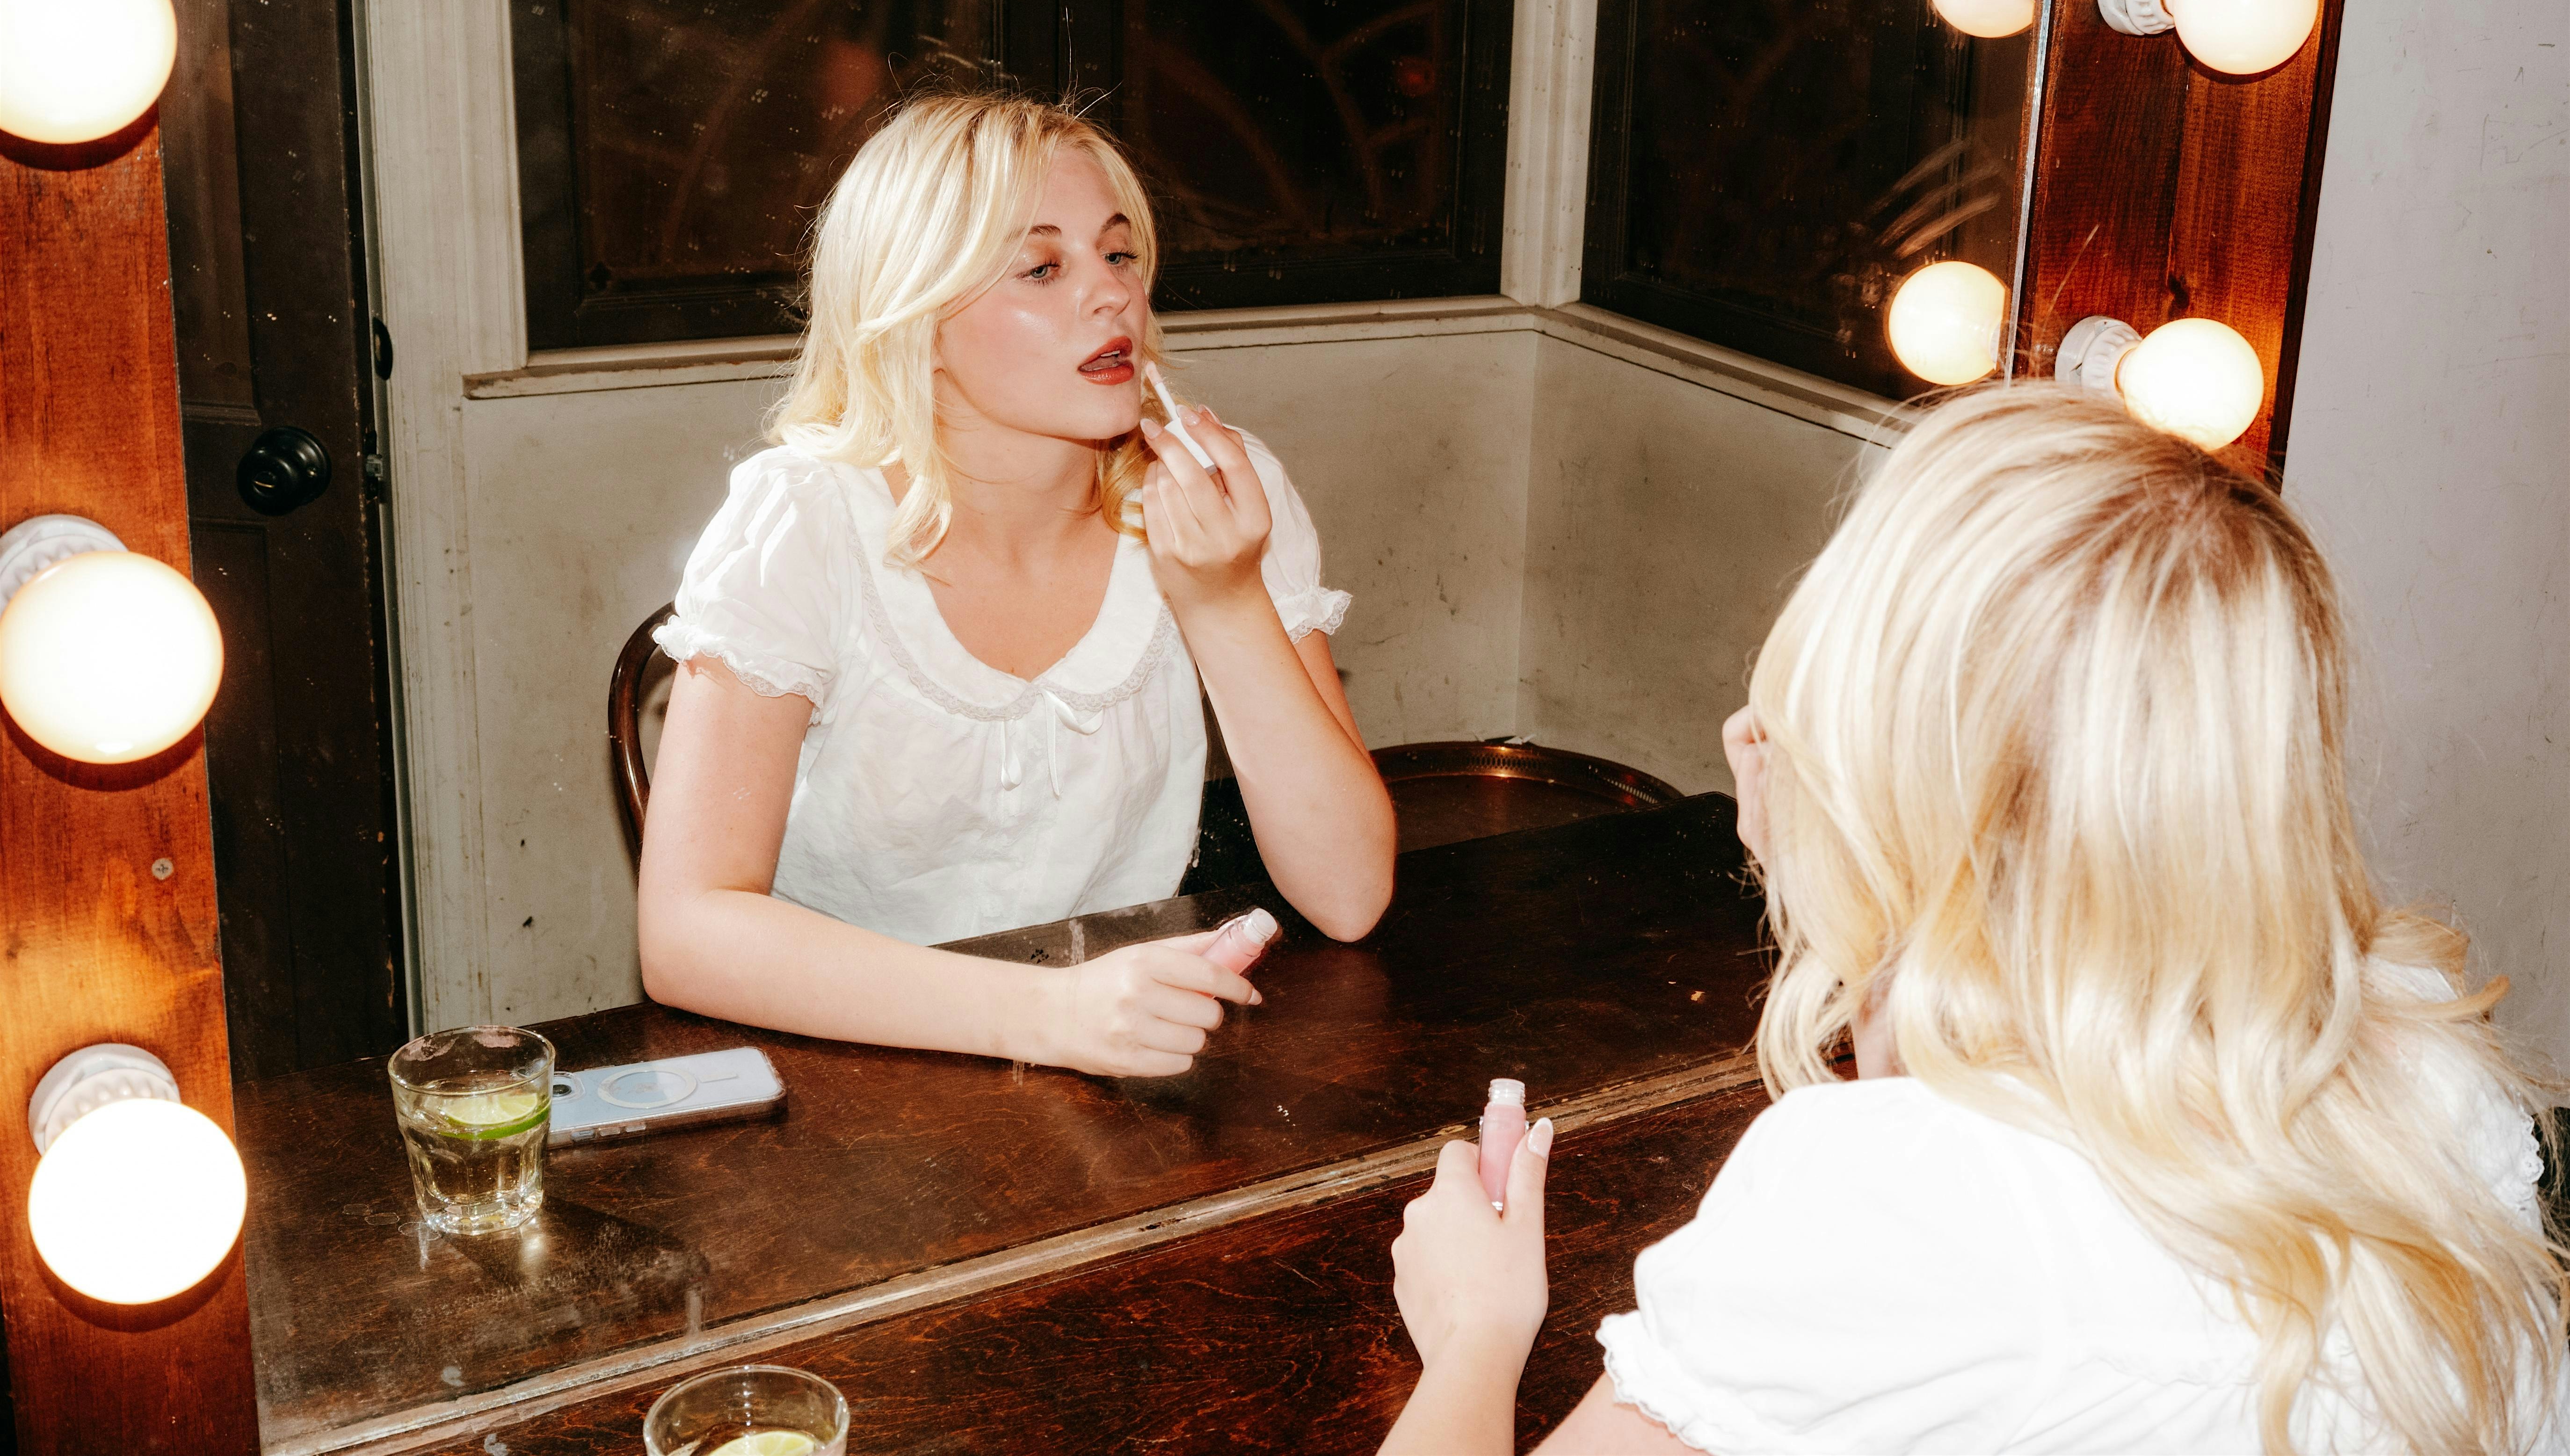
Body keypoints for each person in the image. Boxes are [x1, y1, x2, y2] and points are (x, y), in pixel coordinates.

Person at [1379, 387, 2564, 1455]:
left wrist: (1475, 1335)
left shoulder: (1901, 1204)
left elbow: (1948, 1227)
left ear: (1889, 769)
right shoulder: (2421, 1050)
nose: (1755, 729)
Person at [635, 92, 1396, 1078]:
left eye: (1118, 254)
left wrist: (1225, 601)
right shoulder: (806, 522)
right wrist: (1047, 1016)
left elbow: (1348, 896)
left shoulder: (1212, 495)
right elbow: (685, 932)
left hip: (1115, 1057)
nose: (1111, 295)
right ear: (914, 317)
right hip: (846, 1063)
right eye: (1042, 268)